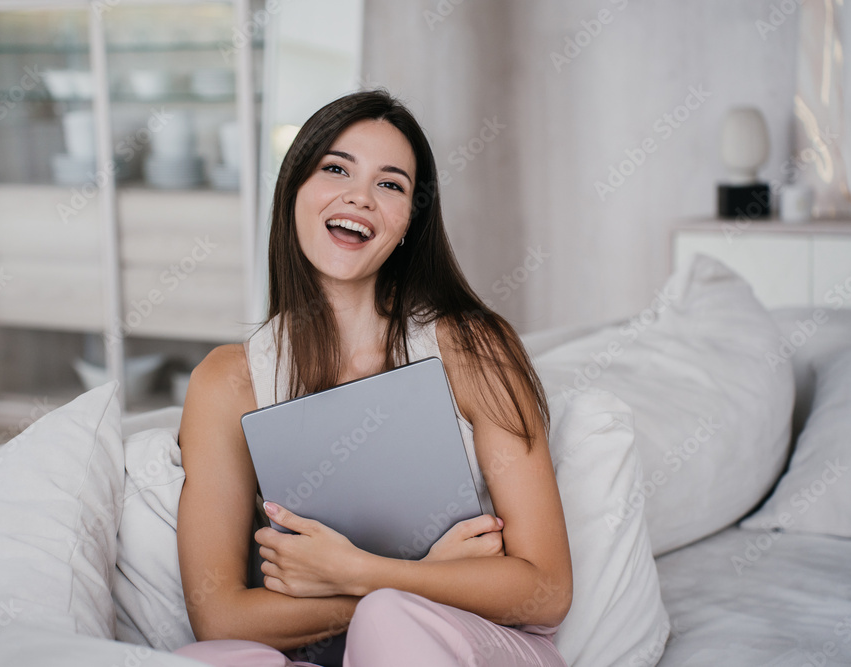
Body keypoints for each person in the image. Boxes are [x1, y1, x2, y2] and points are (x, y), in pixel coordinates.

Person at [173, 89, 572, 667]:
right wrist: (421, 574)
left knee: (390, 620)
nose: (359, 197)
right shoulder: (228, 382)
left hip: (475, 639)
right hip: (324, 652)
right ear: (293, 193)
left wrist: (361, 573)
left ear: (409, 222)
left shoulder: (472, 348)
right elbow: (221, 617)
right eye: (336, 169)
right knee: (215, 659)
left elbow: (548, 590)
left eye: (390, 184)